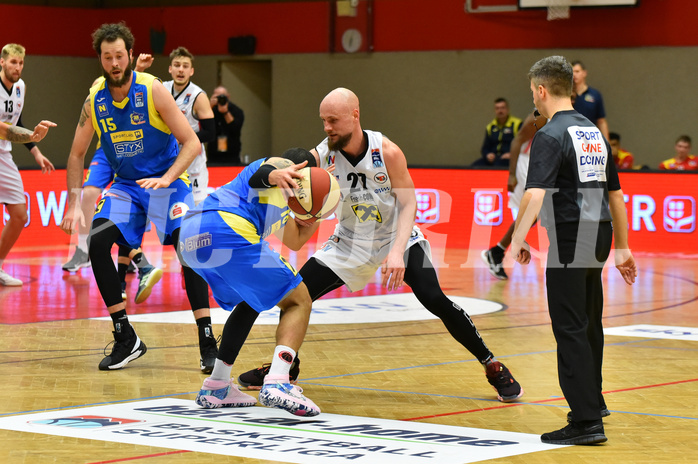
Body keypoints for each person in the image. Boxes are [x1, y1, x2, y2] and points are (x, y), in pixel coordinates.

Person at [237, 87, 524, 404]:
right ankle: (285, 368)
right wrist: (280, 178)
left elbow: (408, 201)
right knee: (295, 294)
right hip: (349, 241)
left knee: (434, 297)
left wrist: (397, 251)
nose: (327, 127)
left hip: (396, 236)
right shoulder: (323, 153)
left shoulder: (386, 152)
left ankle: (491, 364)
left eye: (333, 120)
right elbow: (290, 169)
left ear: (354, 115)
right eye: (323, 121)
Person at [59, 23, 218, 373]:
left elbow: (191, 141)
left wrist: (167, 177)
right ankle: (125, 336)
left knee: (188, 247)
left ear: (130, 55)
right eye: (107, 57)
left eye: (120, 56)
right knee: (97, 242)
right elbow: (76, 155)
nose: (114, 63)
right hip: (128, 186)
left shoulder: (153, 89)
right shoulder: (95, 99)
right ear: (100, 60)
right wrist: (73, 203)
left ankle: (207, 340)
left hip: (166, 182)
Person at [510, 56, 637, 445]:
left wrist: (516, 239)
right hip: (598, 235)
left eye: (532, 89)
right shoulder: (592, 132)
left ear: (541, 90)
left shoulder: (549, 134)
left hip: (570, 236)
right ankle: (593, 403)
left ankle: (585, 422)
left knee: (568, 327)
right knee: (588, 321)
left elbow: (535, 192)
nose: (532, 94)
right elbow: (615, 193)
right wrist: (623, 246)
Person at [181, 147, 322, 416]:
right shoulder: (277, 167)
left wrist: (318, 210)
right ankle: (279, 381)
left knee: (252, 299)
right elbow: (265, 172)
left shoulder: (279, 201)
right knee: (298, 299)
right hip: (225, 228)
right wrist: (280, 171)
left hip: (192, 238)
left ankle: (217, 386)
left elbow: (295, 240)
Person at [0, 43, 56, 287]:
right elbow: (3, 128)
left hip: (4, 155)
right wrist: (30, 135)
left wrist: (36, 151)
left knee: (20, 214)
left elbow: (16, 121)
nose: (17, 67)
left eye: (21, 63)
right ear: (2, 62)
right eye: (13, 62)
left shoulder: (21, 87)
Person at [137, 48, 215, 204]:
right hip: (165, 160)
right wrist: (139, 69)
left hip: (192, 162)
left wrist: (182, 138)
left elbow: (210, 133)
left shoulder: (198, 96)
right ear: (170, 69)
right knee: (165, 209)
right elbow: (133, 90)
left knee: (195, 210)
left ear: (191, 71)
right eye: (177, 65)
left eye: (185, 66)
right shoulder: (160, 88)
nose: (181, 69)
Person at [481, 109, 545, 280]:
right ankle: (499, 251)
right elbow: (517, 141)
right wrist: (511, 174)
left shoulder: (565, 114)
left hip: (540, 165)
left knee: (532, 214)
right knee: (534, 211)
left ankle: (497, 251)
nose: (574, 100)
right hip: (526, 162)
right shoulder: (540, 115)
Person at [472, 98, 522, 167]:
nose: (500, 111)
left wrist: (512, 154)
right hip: (494, 159)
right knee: (474, 166)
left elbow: (524, 144)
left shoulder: (517, 124)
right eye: (497, 108)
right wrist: (488, 155)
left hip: (510, 159)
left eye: (502, 108)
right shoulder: (491, 126)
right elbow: (485, 148)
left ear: (508, 109)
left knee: (498, 165)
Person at [571, 60, 609, 141]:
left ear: (584, 73)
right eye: (572, 72)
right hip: (572, 137)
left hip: (590, 138)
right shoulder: (565, 95)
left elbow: (601, 121)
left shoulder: (594, 95)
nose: (574, 75)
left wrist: (607, 143)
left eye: (577, 71)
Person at [207, 86, 244, 166]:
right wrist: (209, 106)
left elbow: (235, 128)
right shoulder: (210, 111)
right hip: (213, 156)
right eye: (218, 97)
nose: (220, 99)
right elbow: (203, 124)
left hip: (232, 156)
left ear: (228, 97)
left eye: (223, 96)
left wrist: (225, 112)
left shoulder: (236, 111)